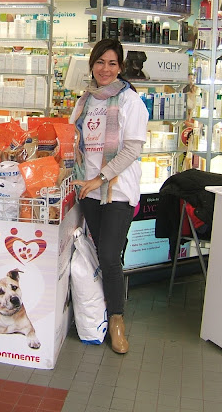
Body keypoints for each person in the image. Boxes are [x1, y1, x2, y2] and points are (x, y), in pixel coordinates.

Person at [70, 38, 148, 354]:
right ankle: (100, 307)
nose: (105, 69)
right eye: (100, 62)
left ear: (120, 67)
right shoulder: (85, 100)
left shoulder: (131, 102)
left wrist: (98, 179)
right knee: (101, 252)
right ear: (92, 65)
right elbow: (74, 140)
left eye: (112, 63)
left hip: (117, 190)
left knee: (109, 255)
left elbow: (132, 150)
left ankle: (117, 320)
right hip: (88, 191)